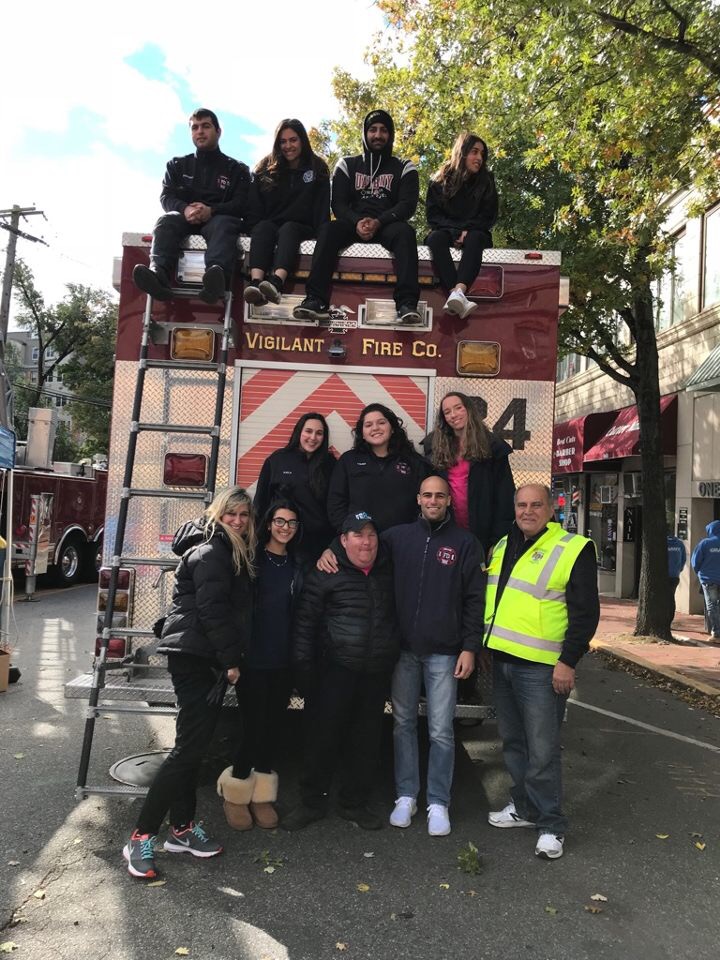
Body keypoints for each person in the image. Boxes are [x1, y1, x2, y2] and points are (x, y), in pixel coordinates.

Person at [122, 487, 256, 879]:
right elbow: (214, 613)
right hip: (199, 659)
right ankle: (140, 836)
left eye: (244, 515)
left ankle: (180, 829)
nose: (237, 521)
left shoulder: (222, 550)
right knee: (187, 751)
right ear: (217, 515)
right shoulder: (213, 553)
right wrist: (232, 660)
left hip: (200, 657)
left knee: (193, 748)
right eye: (230, 513)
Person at [484, 484, 599, 860]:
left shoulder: (573, 548)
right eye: (521, 505)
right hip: (504, 662)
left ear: (552, 509)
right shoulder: (503, 546)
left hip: (543, 668)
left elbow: (585, 614)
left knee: (543, 750)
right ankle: (524, 807)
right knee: (515, 744)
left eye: (536, 505)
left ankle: (551, 825)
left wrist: (568, 661)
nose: (528, 511)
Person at [283, 512, 398, 831]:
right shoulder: (325, 572)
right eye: (358, 535)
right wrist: (304, 673)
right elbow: (304, 625)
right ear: (343, 541)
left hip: (374, 673)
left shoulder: (388, 570)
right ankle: (311, 803)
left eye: (371, 534)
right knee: (321, 739)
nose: (366, 542)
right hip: (333, 672)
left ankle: (354, 803)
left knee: (366, 741)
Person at [384, 476, 485, 836]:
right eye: (427, 494)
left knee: (441, 731)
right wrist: (331, 549)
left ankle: (438, 802)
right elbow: (359, 549)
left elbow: (476, 600)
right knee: (403, 725)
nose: (433, 500)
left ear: (448, 501)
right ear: (418, 499)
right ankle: (406, 795)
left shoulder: (465, 543)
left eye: (439, 495)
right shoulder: (396, 538)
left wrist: (470, 647)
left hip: (445, 653)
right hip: (403, 652)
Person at [216, 500, 302, 831]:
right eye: (280, 521)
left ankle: (262, 795)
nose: (285, 528)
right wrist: (231, 657)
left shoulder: (297, 564)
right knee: (252, 728)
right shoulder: (250, 560)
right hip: (252, 660)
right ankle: (235, 791)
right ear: (268, 524)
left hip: (283, 661)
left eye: (292, 523)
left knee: (274, 728)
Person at [293, 109, 421, 325]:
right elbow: (338, 204)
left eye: (383, 130)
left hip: (387, 223)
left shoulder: (404, 167)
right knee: (328, 230)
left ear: (390, 135)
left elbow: (407, 205)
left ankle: (407, 304)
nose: (378, 135)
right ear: (365, 133)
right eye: (373, 130)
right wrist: (356, 221)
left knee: (406, 233)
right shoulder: (347, 164)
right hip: (352, 222)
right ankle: (316, 299)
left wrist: (379, 221)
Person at [133, 108, 251, 305]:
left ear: (218, 131)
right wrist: (185, 209)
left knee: (224, 224)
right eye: (195, 127)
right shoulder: (177, 165)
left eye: (206, 126)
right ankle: (158, 275)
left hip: (217, 219)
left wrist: (211, 210)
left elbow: (242, 204)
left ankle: (216, 279)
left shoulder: (237, 169)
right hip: (184, 219)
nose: (200, 132)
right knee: (166, 220)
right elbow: (166, 196)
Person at [243, 119, 330, 307]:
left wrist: (322, 236)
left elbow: (322, 209)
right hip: (272, 225)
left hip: (303, 227)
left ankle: (276, 282)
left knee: (289, 229)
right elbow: (254, 207)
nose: (288, 146)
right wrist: (252, 227)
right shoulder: (265, 168)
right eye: (283, 142)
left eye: (293, 140)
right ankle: (256, 283)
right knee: (262, 227)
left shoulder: (317, 168)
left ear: (303, 141)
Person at [327, 403, 431, 534]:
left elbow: (425, 503)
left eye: (381, 423)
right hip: (361, 543)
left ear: (392, 428)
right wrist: (349, 533)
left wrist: (413, 534)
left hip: (403, 542)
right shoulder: (348, 461)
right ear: (362, 433)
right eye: (368, 425)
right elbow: (335, 503)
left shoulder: (414, 462)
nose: (375, 428)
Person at [426, 132, 498, 320]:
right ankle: (456, 296)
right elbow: (433, 216)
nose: (479, 158)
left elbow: (489, 216)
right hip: (446, 231)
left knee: (475, 239)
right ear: (462, 152)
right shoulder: (438, 181)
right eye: (474, 152)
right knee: (435, 238)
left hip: (475, 232)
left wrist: (467, 230)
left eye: (482, 154)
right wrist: (455, 231)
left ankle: (458, 292)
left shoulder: (487, 181)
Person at [432, 391, 515, 556]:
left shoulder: (493, 447)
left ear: (469, 410)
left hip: (483, 537)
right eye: (447, 412)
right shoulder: (436, 448)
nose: (453, 415)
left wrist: (497, 541)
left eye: (458, 408)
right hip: (447, 535)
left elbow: (505, 498)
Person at [254, 412, 336, 564]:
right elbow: (260, 503)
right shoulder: (277, 460)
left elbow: (335, 505)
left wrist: (333, 545)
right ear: (299, 432)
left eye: (319, 433)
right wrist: (257, 541)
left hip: (318, 546)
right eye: (308, 431)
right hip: (282, 542)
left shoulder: (330, 464)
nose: (313, 438)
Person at [691, 521, 720, 641]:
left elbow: (695, 561)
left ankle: (717, 633)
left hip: (708, 579)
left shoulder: (705, 543)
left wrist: (699, 573)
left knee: (712, 606)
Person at [667, 531, 687, 625]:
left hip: (663, 576)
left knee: (662, 598)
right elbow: (683, 559)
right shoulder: (680, 543)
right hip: (675, 576)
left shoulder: (662, 543)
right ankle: (669, 620)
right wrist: (679, 569)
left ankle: (663, 620)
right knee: (671, 598)